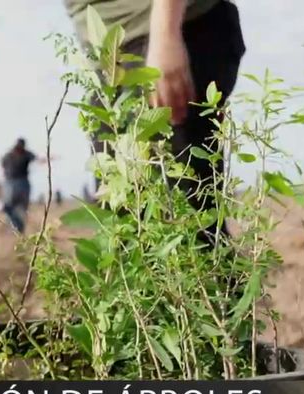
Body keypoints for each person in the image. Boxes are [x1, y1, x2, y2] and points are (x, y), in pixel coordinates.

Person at [65, 0, 246, 239]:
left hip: (160, 38)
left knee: (186, 236)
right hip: (114, 61)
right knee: (126, 229)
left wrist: (165, 35)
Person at [0, 138, 47, 233]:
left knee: (20, 208)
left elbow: (38, 159)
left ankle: (18, 228)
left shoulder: (24, 154)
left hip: (19, 183)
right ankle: (13, 228)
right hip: (12, 183)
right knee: (10, 207)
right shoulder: (10, 155)